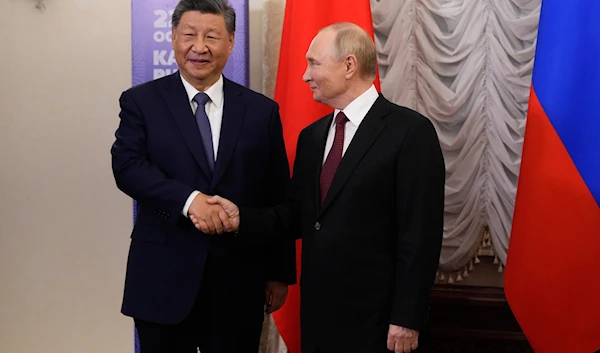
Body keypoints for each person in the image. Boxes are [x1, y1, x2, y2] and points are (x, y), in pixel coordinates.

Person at [192, 22, 446, 353]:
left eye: (314, 63)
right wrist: (242, 218)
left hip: (381, 323)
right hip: (318, 319)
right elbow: (298, 216)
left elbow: (420, 234)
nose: (304, 76)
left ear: (349, 65)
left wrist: (407, 318)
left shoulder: (410, 132)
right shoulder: (312, 137)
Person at [110, 0, 295, 352]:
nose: (200, 47)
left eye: (212, 36)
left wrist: (279, 272)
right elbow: (128, 167)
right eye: (189, 35)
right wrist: (190, 201)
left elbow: (277, 193)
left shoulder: (261, 111)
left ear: (231, 42)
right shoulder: (141, 102)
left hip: (239, 281)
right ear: (173, 38)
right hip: (162, 280)